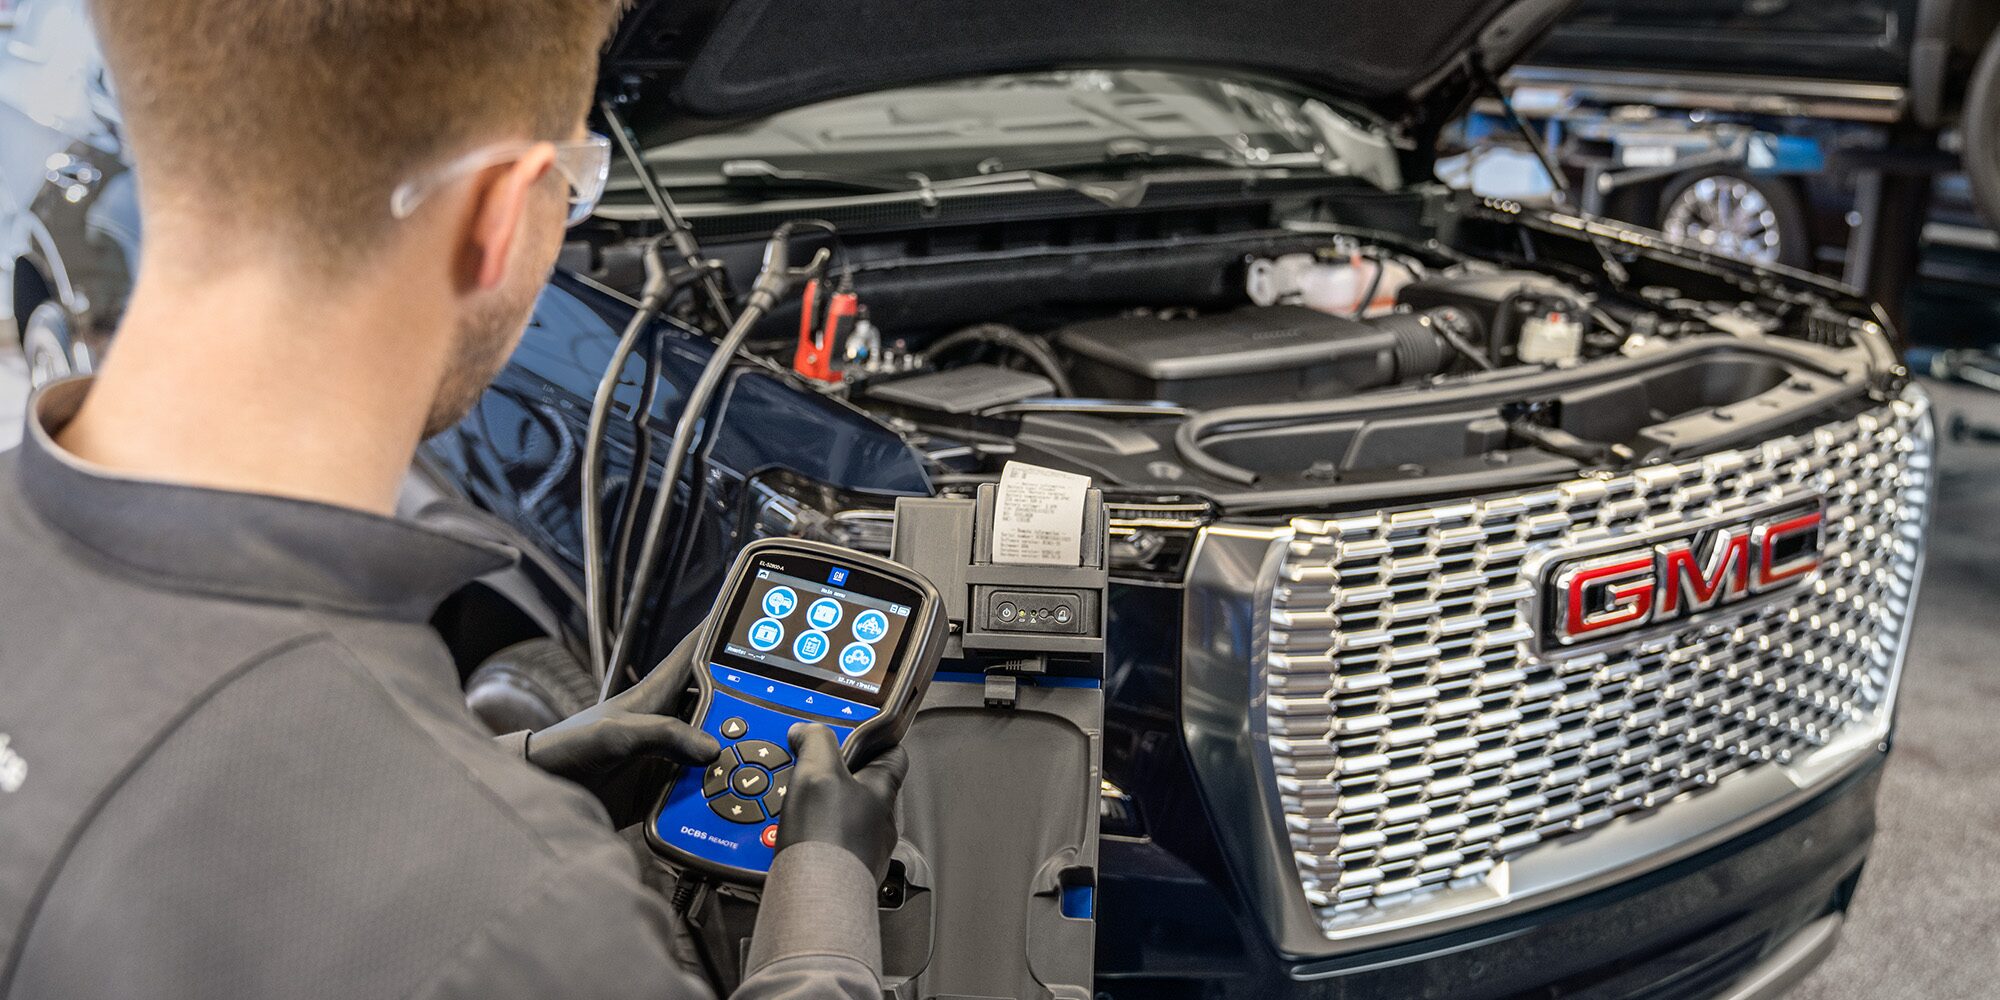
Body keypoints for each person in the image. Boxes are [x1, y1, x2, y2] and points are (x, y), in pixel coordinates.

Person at [0, 1, 906, 998]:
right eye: (574, 184)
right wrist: (823, 920)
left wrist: (510, 767)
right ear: (503, 210)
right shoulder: (528, 918)